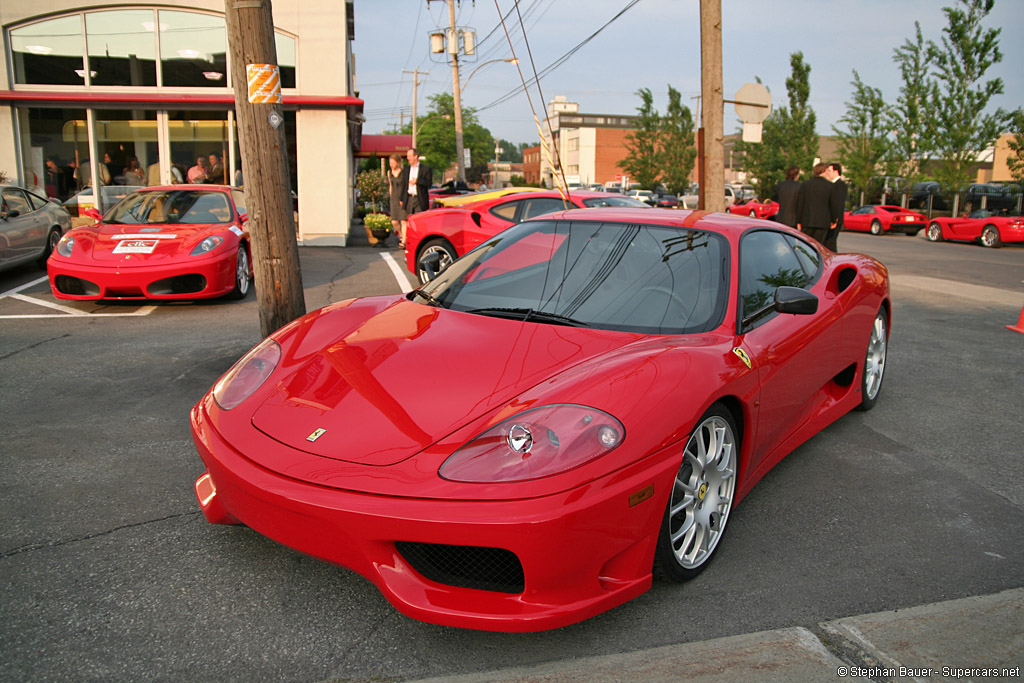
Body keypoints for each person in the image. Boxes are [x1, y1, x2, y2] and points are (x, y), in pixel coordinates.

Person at [795, 163, 842, 246]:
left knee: (805, 244)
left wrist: (798, 220)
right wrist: (834, 219)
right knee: (819, 245)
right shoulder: (830, 186)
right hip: (823, 221)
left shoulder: (805, 184)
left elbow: (800, 203)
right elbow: (833, 205)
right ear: (823, 172)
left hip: (807, 220)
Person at [823, 162, 848, 251]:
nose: (828, 173)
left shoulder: (840, 185)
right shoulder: (832, 185)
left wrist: (835, 219)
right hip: (831, 219)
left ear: (836, 171)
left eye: (829, 171)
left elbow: (838, 203)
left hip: (835, 220)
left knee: (830, 243)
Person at [402, 147, 433, 215]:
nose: (407, 158)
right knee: (409, 220)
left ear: (415, 156)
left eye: (409, 156)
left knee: (418, 220)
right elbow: (403, 185)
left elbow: (429, 183)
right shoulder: (406, 169)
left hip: (420, 199)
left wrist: (417, 181)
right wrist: (401, 199)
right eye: (407, 156)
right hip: (408, 199)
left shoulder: (425, 169)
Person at [387, 153, 409, 247]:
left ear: (398, 163)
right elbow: (390, 185)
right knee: (394, 222)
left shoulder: (403, 173)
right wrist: (390, 197)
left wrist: (404, 198)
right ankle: (401, 235)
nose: (391, 164)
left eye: (393, 162)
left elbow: (406, 186)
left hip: (402, 198)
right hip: (393, 199)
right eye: (390, 163)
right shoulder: (389, 172)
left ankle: (403, 241)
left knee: (403, 220)